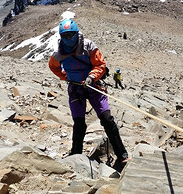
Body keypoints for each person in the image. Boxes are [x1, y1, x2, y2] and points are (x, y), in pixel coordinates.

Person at [48, 19, 128, 164]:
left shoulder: (89, 46)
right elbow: (53, 66)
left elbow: (100, 65)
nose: (68, 38)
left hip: (94, 87)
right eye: (65, 36)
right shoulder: (58, 54)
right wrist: (66, 77)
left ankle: (121, 153)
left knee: (107, 119)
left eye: (71, 35)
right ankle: (76, 155)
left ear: (76, 33)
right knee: (79, 123)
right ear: (61, 37)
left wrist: (91, 77)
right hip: (75, 89)